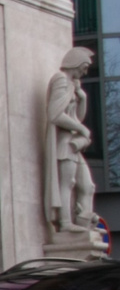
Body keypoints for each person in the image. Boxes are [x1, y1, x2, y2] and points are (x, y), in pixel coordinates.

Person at [46, 47, 98, 234]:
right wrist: (80, 128)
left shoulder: (72, 85)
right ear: (74, 63)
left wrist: (82, 97)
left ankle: (84, 221)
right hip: (65, 144)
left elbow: (77, 117)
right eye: (83, 67)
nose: (84, 72)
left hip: (73, 143)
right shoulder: (60, 79)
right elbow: (55, 114)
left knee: (87, 185)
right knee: (67, 183)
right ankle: (66, 223)